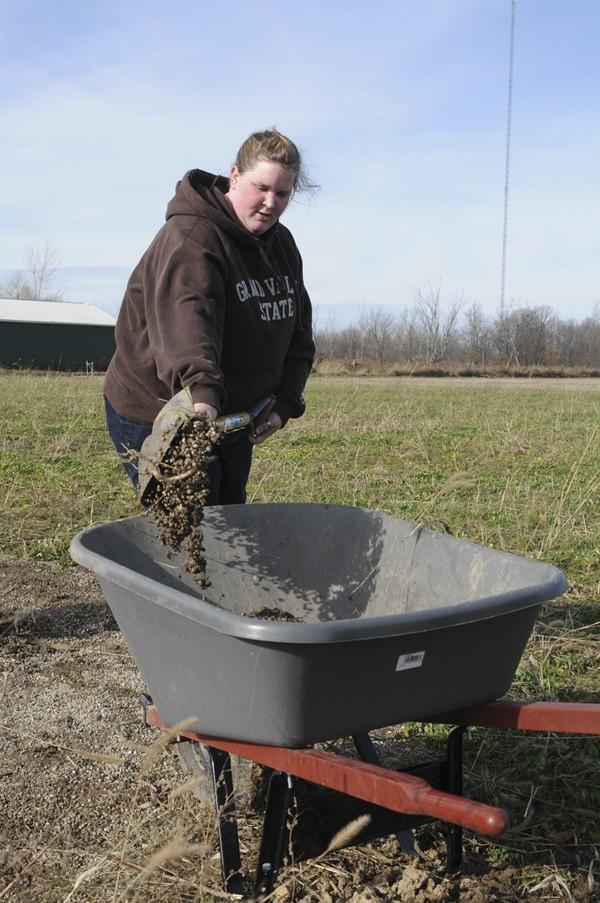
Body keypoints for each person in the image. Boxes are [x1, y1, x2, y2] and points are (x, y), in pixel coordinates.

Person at [103, 127, 316, 504]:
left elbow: (298, 332)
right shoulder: (191, 237)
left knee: (228, 513)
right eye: (260, 187)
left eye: (283, 193)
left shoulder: (281, 244)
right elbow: (187, 318)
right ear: (234, 176)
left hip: (230, 412)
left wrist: (285, 400)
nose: (270, 203)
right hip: (163, 409)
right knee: (190, 531)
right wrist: (201, 390)